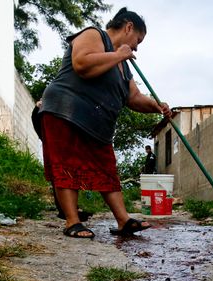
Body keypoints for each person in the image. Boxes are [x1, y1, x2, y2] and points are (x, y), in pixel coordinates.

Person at [37, 7, 171, 238]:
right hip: (65, 111)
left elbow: (133, 98)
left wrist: (157, 107)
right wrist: (120, 54)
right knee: (66, 167)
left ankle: (123, 220)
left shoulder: (124, 66)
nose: (137, 47)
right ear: (128, 27)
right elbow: (82, 64)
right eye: (138, 40)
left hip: (98, 125)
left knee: (107, 171)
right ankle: (72, 222)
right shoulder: (94, 35)